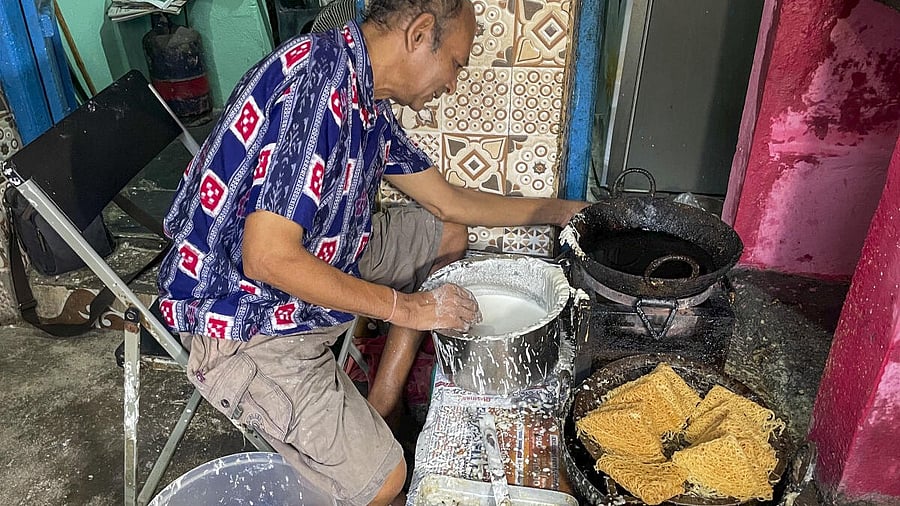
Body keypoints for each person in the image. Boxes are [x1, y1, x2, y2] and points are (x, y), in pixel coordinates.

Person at [156, 0, 587, 503]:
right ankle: (376, 441)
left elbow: (446, 202)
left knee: (445, 235)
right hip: (249, 318)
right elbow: (268, 258)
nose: (452, 82)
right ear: (420, 33)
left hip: (331, 251)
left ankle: (384, 401)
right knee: (385, 482)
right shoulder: (315, 91)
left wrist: (557, 212)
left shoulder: (363, 90)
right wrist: (409, 307)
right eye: (455, 63)